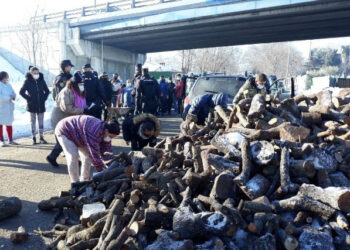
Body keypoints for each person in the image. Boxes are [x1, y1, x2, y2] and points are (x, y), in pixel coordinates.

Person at [55, 115, 119, 191]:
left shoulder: (106, 133)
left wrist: (110, 167)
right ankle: (75, 183)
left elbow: (106, 152)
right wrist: (101, 172)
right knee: (73, 156)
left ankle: (84, 180)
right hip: (65, 130)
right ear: (106, 131)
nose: (110, 138)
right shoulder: (94, 132)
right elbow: (94, 153)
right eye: (111, 136)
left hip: (80, 134)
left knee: (87, 157)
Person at [47, 72, 91, 167]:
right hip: (59, 119)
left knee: (72, 139)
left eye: (83, 84)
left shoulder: (77, 91)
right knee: (64, 140)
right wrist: (83, 110)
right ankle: (52, 157)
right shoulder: (66, 92)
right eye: (80, 84)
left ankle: (73, 159)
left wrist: (88, 108)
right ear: (74, 83)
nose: (82, 86)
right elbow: (66, 108)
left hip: (69, 119)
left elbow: (79, 104)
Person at [20, 67, 50, 145]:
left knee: (41, 122)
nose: (36, 74)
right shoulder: (27, 81)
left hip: (41, 105)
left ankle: (41, 137)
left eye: (37, 73)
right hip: (32, 105)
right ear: (31, 73)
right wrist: (29, 99)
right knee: (32, 122)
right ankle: (33, 138)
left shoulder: (41, 80)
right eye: (34, 73)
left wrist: (44, 98)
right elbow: (21, 92)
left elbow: (47, 91)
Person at [0, 71, 18, 146]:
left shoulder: (8, 85)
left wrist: (13, 96)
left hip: (9, 107)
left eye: (7, 78)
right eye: (5, 77)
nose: (6, 79)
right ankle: (1, 140)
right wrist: (8, 98)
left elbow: (13, 92)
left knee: (9, 123)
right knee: (0, 123)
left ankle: (10, 139)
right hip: (1, 107)